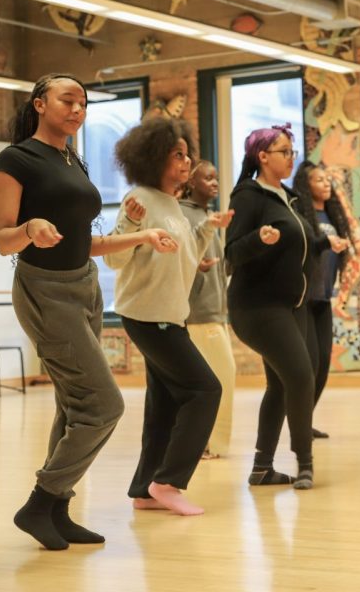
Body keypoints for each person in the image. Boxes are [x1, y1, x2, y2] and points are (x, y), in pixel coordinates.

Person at [0, 74, 176, 550]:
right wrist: (30, 227)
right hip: (44, 289)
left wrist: (141, 236)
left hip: (85, 286)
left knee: (72, 407)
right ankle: (39, 501)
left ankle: (56, 511)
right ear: (39, 104)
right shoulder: (15, 159)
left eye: (83, 103)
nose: (77, 110)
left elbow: (85, 242)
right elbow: (3, 237)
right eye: (67, 100)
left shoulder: (74, 160)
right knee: (104, 405)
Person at [106, 119, 232, 516]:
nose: (186, 161)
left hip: (169, 316)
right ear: (152, 158)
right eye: (177, 154)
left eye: (186, 154)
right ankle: (170, 481)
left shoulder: (171, 202)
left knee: (163, 405)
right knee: (205, 389)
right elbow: (113, 257)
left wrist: (208, 229)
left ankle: (145, 489)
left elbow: (186, 257)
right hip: (148, 316)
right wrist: (129, 224)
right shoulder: (138, 200)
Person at [225, 124, 316, 490]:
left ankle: (262, 468)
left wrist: (329, 244)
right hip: (257, 307)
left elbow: (304, 245)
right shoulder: (248, 197)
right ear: (263, 157)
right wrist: (258, 239)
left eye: (292, 151)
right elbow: (231, 253)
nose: (291, 157)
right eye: (284, 151)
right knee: (300, 376)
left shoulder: (288, 197)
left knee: (280, 385)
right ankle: (306, 462)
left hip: (293, 305)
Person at [291, 160, 360, 438]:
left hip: (323, 298)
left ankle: (304, 421)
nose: (326, 184)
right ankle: (299, 424)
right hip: (303, 299)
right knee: (308, 363)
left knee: (321, 364)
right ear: (306, 186)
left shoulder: (333, 216)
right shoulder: (302, 215)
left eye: (327, 180)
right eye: (319, 180)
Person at [180, 160, 236, 459]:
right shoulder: (182, 214)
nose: (215, 183)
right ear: (191, 181)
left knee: (218, 377)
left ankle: (207, 444)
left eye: (216, 178)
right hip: (197, 312)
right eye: (208, 178)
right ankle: (207, 444)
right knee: (224, 376)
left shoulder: (208, 216)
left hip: (216, 309)